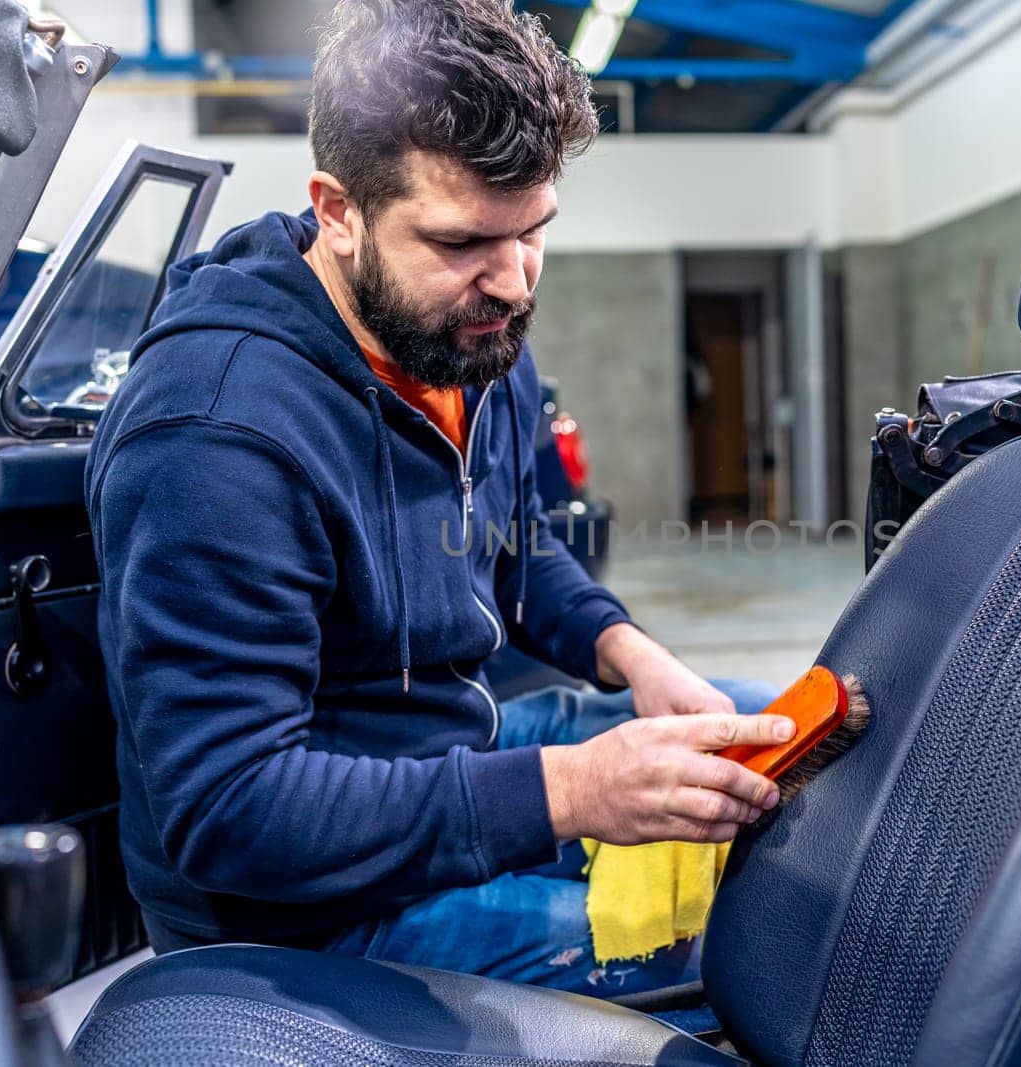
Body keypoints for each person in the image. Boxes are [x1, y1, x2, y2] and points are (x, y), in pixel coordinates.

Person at [85, 0, 788, 996]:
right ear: (337, 212)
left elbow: (510, 541)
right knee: (775, 939)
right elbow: (230, 810)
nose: (511, 281)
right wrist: (574, 790)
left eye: (534, 231)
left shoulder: (461, 332)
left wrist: (632, 655)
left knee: (783, 741)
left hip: (458, 752)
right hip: (307, 916)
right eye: (462, 241)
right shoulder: (215, 431)